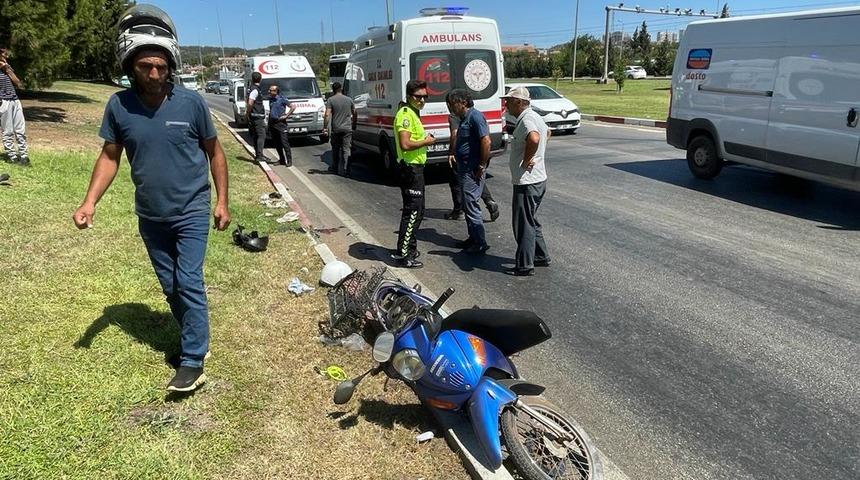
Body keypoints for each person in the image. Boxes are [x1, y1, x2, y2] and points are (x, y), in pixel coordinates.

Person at [72, 4, 231, 392]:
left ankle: (193, 359)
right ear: (131, 66)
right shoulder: (119, 106)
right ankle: (197, 336)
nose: (155, 74)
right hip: (150, 215)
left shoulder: (191, 103)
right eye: (146, 66)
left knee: (189, 279)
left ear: (171, 64)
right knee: (171, 285)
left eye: (161, 66)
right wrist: (89, 201)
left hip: (191, 208)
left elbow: (215, 152)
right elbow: (110, 157)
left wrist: (222, 200)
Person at [501, 86, 551, 276]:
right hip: (538, 179)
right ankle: (540, 255)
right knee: (531, 220)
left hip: (527, 181)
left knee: (523, 224)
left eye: (509, 101)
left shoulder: (527, 118)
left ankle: (524, 265)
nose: (506, 105)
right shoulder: (535, 117)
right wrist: (538, 155)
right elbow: (547, 133)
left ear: (520, 102)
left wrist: (528, 158)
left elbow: (535, 137)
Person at [392, 79, 436, 269]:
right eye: (418, 97)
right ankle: (404, 254)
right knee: (412, 213)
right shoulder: (406, 115)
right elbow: (405, 144)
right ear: (410, 96)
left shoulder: (412, 112)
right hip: (410, 168)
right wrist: (426, 142)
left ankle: (409, 247)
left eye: (425, 97)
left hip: (416, 168)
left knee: (418, 212)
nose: (422, 100)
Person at [446, 89, 490, 254]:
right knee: (467, 204)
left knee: (471, 205)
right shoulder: (464, 118)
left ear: (463, 102)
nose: (451, 107)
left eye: (453, 103)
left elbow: (486, 141)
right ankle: (473, 238)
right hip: (464, 169)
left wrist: (481, 165)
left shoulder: (475, 116)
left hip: (472, 170)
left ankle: (480, 242)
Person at [445, 107, 499, 222]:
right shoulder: (475, 114)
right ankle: (489, 200)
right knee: (475, 178)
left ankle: (459, 210)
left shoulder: (455, 115)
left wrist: (451, 152)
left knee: (456, 180)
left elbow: (454, 134)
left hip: (465, 157)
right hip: (477, 154)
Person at [0, 45, 30, 166]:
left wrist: (7, 69)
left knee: (20, 130)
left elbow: (17, 82)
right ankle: (12, 156)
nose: (7, 56)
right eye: (4, 54)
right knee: (8, 131)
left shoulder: (7, 67)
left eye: (7, 54)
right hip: (3, 102)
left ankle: (23, 156)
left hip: (15, 100)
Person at [323, 82, 355, 176]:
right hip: (347, 128)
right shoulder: (349, 100)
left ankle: (335, 168)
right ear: (341, 89)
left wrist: (325, 127)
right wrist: (354, 124)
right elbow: (355, 111)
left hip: (336, 129)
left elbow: (327, 114)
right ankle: (346, 169)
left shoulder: (331, 100)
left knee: (335, 149)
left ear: (333, 90)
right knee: (346, 149)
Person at [266, 84, 295, 166]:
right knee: (277, 143)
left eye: (271, 90)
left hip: (281, 124)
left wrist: (286, 116)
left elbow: (293, 107)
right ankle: (281, 159)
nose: (269, 91)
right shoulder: (270, 99)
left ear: (276, 91)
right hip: (273, 123)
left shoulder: (282, 99)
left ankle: (289, 160)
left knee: (284, 143)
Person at [245, 71, 267, 163]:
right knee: (261, 135)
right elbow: (250, 102)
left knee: (255, 135)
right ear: (260, 79)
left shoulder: (252, 88)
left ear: (252, 79)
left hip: (254, 116)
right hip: (257, 116)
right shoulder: (255, 90)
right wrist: (248, 112)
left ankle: (258, 154)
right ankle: (259, 155)